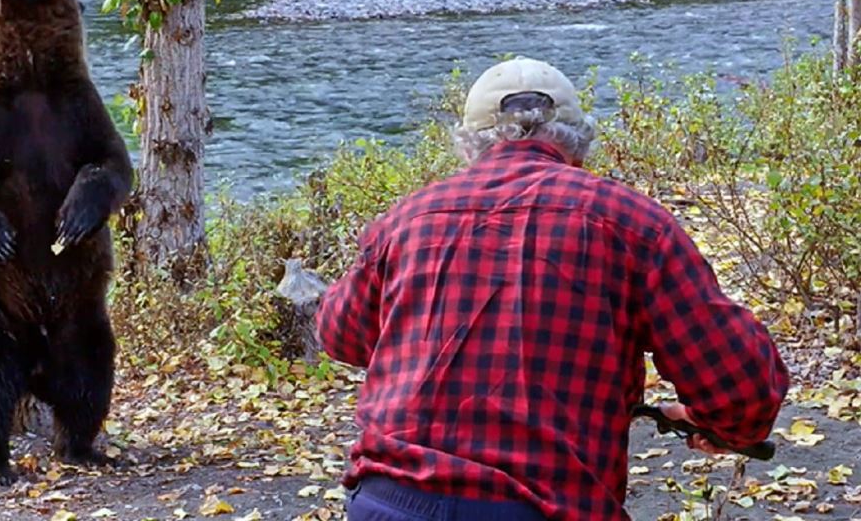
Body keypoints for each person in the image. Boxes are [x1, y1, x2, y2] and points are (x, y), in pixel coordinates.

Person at [315, 58, 789, 521]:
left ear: (468, 147)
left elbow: (342, 335)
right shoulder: (632, 223)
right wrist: (723, 425)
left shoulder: (407, 219)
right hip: (548, 504)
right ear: (579, 144)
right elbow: (742, 390)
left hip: (390, 500)